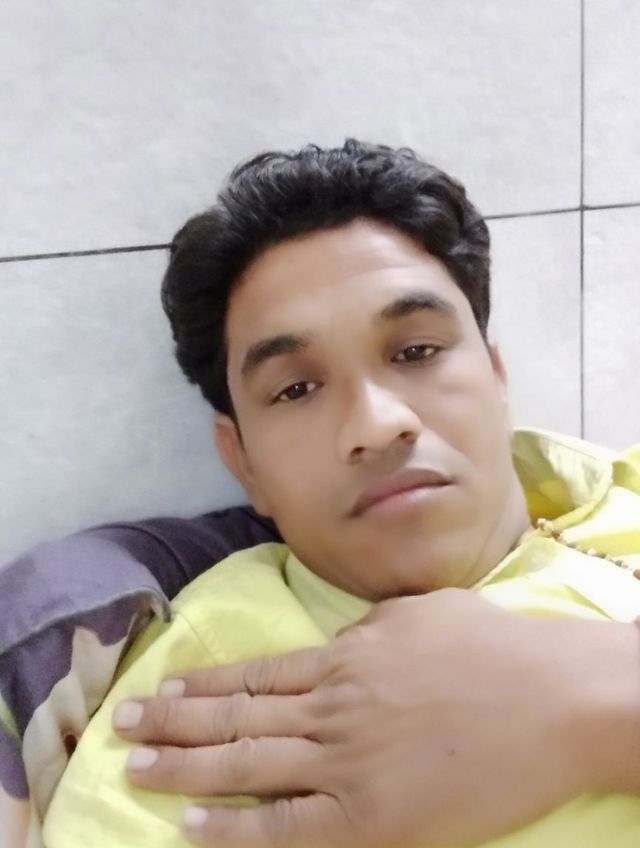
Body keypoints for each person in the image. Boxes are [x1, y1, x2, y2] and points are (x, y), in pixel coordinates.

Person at [16, 139, 640, 846]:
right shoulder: (190, 712)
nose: (376, 424)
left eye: (417, 351)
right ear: (243, 461)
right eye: (296, 389)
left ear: (496, 378)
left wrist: (587, 700)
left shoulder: (615, 495)